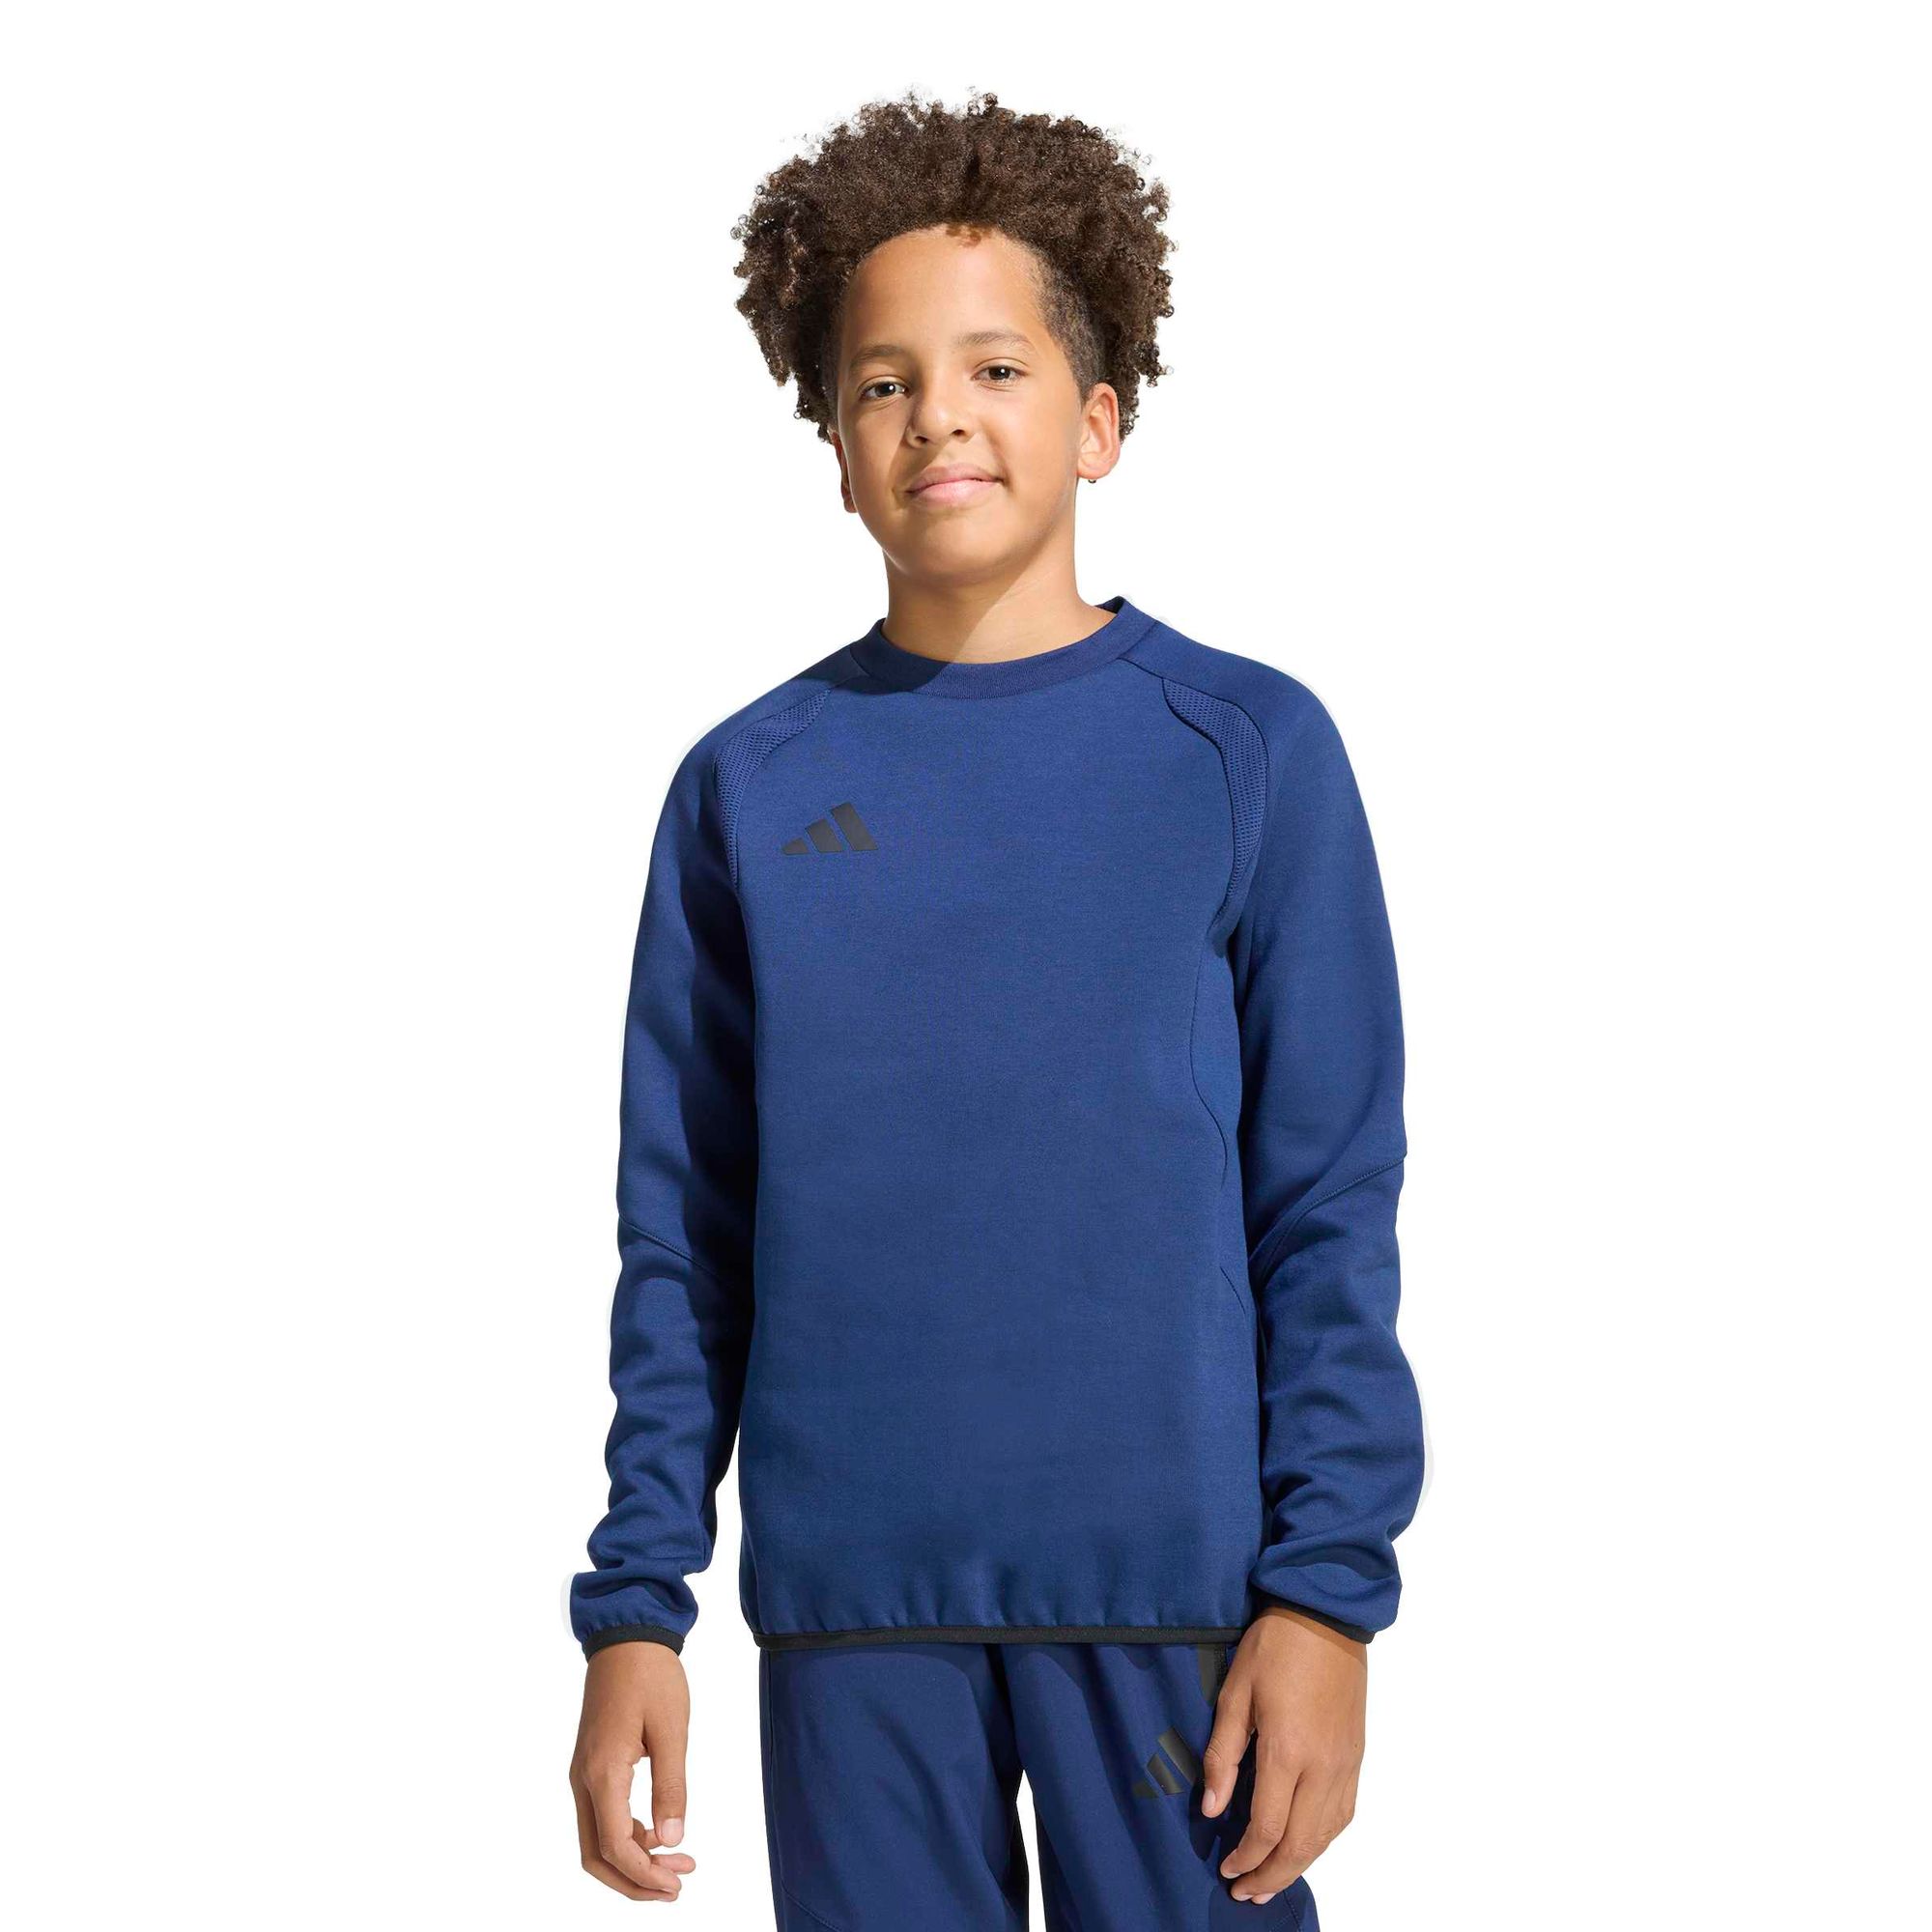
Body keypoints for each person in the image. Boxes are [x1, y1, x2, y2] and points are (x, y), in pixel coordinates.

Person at [566, 89, 1424, 1929]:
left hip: (1181, 1612)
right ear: (834, 446)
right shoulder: (749, 790)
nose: (937, 414)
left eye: (997, 367)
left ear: (1100, 418)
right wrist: (638, 1605)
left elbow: (1327, 1209)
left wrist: (1327, 1596)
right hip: (853, 1619)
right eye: (881, 383)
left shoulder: (1248, 753)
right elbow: (684, 1234)